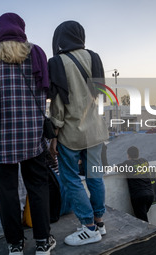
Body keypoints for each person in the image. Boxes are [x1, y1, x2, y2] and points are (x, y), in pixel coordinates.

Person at [0, 13, 55, 255]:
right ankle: (42, 243)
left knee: (6, 193)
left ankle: (15, 246)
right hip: (31, 135)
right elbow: (46, 89)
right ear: (22, 29)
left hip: (0, 137)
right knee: (38, 188)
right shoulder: (37, 53)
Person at [48, 21, 109, 246]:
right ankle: (100, 223)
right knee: (95, 177)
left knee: (71, 179)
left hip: (70, 133)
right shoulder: (95, 57)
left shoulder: (56, 62)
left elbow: (58, 103)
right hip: (95, 131)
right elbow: (100, 94)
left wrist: (54, 135)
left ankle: (88, 227)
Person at [118, 146, 155, 222]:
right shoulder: (144, 161)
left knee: (142, 222)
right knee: (142, 217)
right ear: (138, 154)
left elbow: (115, 168)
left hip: (139, 196)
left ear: (128, 155)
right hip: (150, 194)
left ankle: (151, 233)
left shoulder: (127, 163)